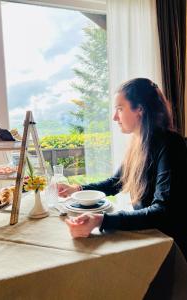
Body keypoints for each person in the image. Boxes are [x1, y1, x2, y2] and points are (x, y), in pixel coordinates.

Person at [58, 78, 187, 261]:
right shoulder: (139, 142)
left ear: (140, 110)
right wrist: (77, 190)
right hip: (148, 233)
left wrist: (101, 220)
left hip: (168, 244)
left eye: (120, 108)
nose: (114, 117)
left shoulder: (171, 145)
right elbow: (117, 182)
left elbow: (162, 212)